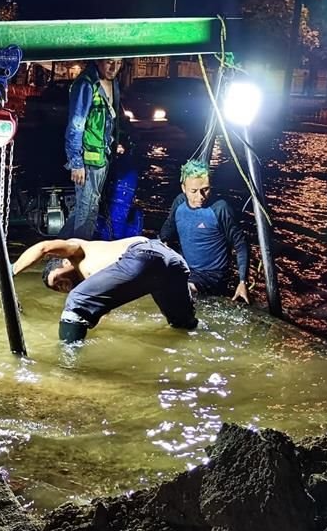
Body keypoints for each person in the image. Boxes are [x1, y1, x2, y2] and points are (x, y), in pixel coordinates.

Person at [12, 236, 198, 341]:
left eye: (58, 280)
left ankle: (66, 367)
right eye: (58, 289)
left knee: (75, 302)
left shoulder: (78, 252)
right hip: (172, 263)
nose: (62, 287)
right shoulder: (100, 286)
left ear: (64, 261)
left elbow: (44, 248)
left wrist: (11, 270)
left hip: (143, 253)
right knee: (182, 326)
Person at [159, 160, 250, 303]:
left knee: (181, 291)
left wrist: (242, 282)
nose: (200, 196)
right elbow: (168, 229)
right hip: (187, 268)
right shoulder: (179, 202)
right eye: (193, 191)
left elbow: (241, 245)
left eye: (205, 189)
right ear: (183, 188)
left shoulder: (220, 209)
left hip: (214, 275)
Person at [59, 58, 125, 240]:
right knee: (88, 210)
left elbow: (111, 120)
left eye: (119, 63)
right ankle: (78, 255)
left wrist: (114, 142)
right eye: (110, 62)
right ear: (98, 61)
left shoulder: (114, 83)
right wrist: (76, 163)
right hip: (88, 160)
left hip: (102, 156)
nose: (114, 67)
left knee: (85, 207)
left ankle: (57, 252)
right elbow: (75, 126)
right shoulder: (86, 85)